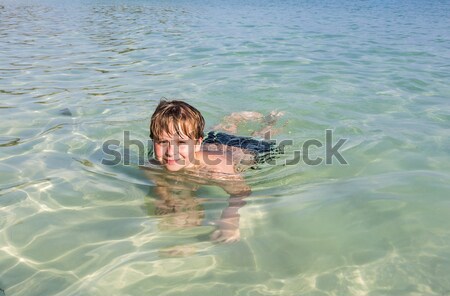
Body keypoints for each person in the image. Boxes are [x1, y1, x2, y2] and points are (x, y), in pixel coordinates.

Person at [143, 99, 282, 243]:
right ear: (153, 140)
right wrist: (166, 199)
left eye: (181, 143)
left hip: (246, 149)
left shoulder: (215, 169)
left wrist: (230, 217)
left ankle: (271, 121)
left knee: (261, 135)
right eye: (162, 142)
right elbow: (162, 189)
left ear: (197, 143)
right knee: (220, 132)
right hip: (213, 143)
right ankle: (232, 120)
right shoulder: (151, 168)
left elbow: (241, 191)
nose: (171, 152)